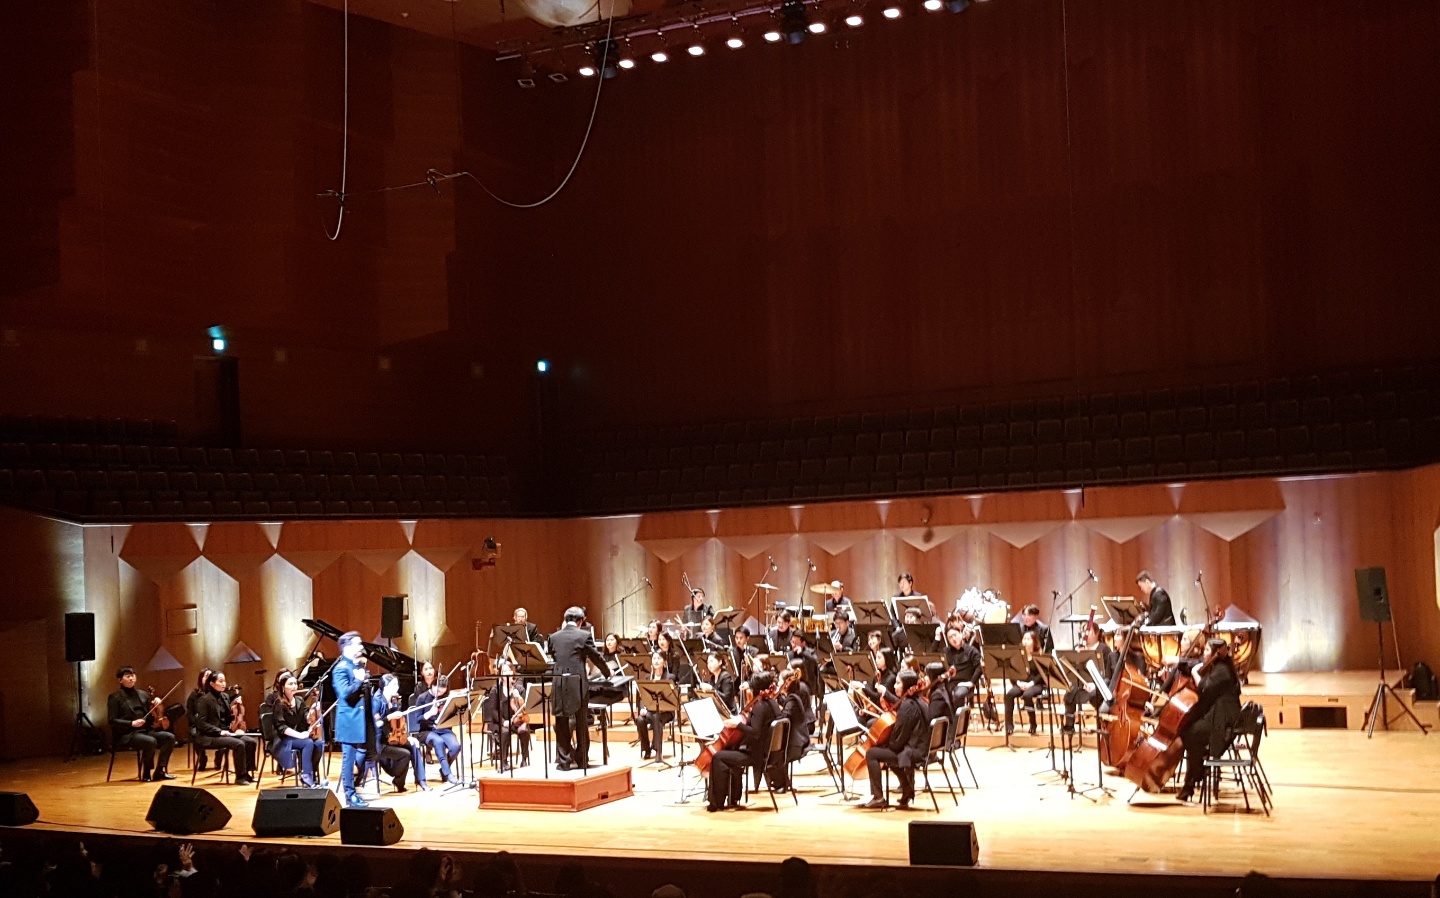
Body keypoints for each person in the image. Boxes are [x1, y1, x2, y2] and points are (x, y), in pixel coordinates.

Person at [1175, 638, 1243, 803]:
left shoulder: (1222, 671)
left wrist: (1194, 674)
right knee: (1189, 732)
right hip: (1217, 716)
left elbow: (1204, 687)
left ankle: (1195, 776)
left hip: (1223, 721)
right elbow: (1193, 664)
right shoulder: (1216, 666)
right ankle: (1195, 775)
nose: (1203, 653)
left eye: (1206, 650)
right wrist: (1178, 662)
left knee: (1190, 734)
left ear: (1215, 654)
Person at [707, 672, 780, 812]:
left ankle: (716, 802)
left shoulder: (760, 706)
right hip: (768, 751)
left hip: (757, 755)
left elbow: (756, 732)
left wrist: (737, 725)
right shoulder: (772, 703)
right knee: (731, 751)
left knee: (718, 757)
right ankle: (733, 798)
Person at [548, 606, 609, 770]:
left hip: (559, 682)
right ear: (581, 621)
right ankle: (582, 760)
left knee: (561, 722)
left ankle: (564, 762)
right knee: (581, 721)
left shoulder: (553, 637)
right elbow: (596, 656)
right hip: (578, 683)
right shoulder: (584, 636)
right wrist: (607, 672)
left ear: (565, 619)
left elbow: (554, 656)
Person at [860, 669, 928, 809]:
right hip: (921, 747)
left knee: (872, 753)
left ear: (907, 686)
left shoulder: (907, 707)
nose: (895, 686)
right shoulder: (918, 700)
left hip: (913, 751)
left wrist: (883, 742)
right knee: (886, 752)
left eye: (898, 683)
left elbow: (897, 742)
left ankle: (878, 797)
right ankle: (907, 789)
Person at [107, 666, 177, 781]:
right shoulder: (115, 697)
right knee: (150, 741)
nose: (131, 678)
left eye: (132, 675)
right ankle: (147, 772)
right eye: (127, 676)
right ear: (120, 680)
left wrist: (156, 704)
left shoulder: (143, 694)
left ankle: (160, 770)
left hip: (145, 731)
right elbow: (112, 720)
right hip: (127, 735)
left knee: (169, 737)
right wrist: (131, 723)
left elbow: (150, 716)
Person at [191, 671, 258, 785]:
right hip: (209, 736)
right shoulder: (204, 700)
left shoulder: (225, 697)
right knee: (239, 744)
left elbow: (227, 717)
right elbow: (201, 723)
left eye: (224, 681)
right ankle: (240, 777)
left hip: (225, 732)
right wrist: (219, 731)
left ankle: (247, 773)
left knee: (251, 742)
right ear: (212, 683)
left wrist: (236, 708)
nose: (223, 683)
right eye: (220, 681)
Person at [332, 630, 372, 807]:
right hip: (349, 721)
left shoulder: (356, 666)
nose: (361, 647)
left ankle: (355, 787)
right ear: (347, 647)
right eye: (358, 644)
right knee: (348, 760)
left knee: (368, 754)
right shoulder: (341, 668)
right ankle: (350, 795)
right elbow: (345, 694)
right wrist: (359, 681)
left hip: (362, 720)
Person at [270, 673, 325, 787]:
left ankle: (312, 774)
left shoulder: (299, 700)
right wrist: (300, 735)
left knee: (319, 744)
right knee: (308, 743)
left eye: (295, 683)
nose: (294, 686)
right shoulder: (278, 703)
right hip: (283, 740)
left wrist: (313, 710)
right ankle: (306, 775)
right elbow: (281, 728)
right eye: (290, 684)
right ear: (283, 687)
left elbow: (306, 717)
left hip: (299, 736)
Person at [1063, 622, 1120, 732]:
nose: (1085, 633)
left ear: (1097, 633)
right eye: (1084, 631)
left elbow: (1106, 673)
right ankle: (1069, 725)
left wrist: (1094, 684)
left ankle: (1101, 726)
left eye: (1088, 630)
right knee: (1069, 693)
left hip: (1097, 685)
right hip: (1082, 684)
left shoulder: (1103, 649)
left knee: (1096, 695)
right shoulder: (1079, 648)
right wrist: (1077, 656)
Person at [413, 662, 462, 787]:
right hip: (426, 731)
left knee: (456, 747)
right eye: (437, 690)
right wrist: (429, 713)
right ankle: (448, 773)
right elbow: (417, 719)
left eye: (442, 691)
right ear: (433, 685)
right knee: (438, 742)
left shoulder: (446, 697)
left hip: (443, 729)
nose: (439, 694)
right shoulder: (422, 698)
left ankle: (444, 769)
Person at [363, 673, 413, 793]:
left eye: (397, 684)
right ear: (385, 687)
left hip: (388, 738)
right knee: (406, 754)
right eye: (394, 684)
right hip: (378, 743)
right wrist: (390, 717)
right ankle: (396, 776)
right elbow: (377, 724)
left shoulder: (392, 699)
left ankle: (404, 780)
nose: (397, 687)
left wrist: (396, 706)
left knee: (410, 746)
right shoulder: (377, 701)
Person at [482, 655, 530, 771]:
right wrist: (503, 722)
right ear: (501, 675)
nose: (507, 673)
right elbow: (493, 710)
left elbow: (524, 708)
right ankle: (504, 761)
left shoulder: (519, 689)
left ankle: (524, 759)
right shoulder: (495, 690)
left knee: (524, 730)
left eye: (509, 670)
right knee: (505, 732)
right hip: (499, 722)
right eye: (504, 671)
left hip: (515, 721)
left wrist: (518, 697)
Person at [1004, 632, 1045, 736]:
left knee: (1027, 695)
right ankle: (1009, 725)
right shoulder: (1018, 656)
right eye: (1024, 639)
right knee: (1009, 695)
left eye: (1028, 639)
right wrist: (1018, 682)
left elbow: (1041, 674)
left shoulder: (1039, 655)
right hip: (1021, 683)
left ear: (1034, 642)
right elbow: (1012, 672)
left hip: (1035, 684)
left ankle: (1033, 723)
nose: (1025, 642)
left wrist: (1031, 684)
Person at [637, 653, 675, 760]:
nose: (656, 661)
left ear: (665, 662)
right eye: (654, 658)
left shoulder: (670, 677)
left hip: (666, 712)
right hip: (651, 710)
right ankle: (646, 749)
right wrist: (643, 708)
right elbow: (642, 697)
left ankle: (658, 750)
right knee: (640, 720)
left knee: (657, 717)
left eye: (659, 658)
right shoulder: (647, 677)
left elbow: (672, 697)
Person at [942, 624, 982, 707]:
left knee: (957, 695)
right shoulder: (946, 652)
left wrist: (972, 682)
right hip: (951, 683)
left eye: (955, 635)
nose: (953, 639)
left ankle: (958, 715)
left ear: (960, 633)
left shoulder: (971, 651)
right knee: (938, 695)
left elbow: (980, 667)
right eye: (950, 637)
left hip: (965, 683)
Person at [186, 668, 213, 772]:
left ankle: (218, 758)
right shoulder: (194, 695)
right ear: (201, 679)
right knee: (195, 734)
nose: (208, 679)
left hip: (212, 724)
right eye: (206, 676)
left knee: (223, 731)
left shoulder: (215, 694)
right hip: (197, 724)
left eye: (210, 676)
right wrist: (197, 723)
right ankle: (202, 757)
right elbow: (190, 713)